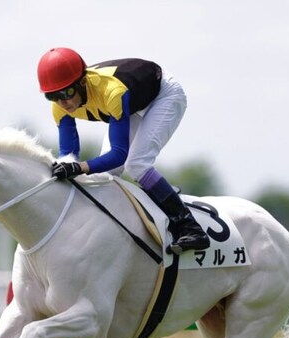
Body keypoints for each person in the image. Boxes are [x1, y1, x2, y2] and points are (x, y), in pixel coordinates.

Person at [37, 47, 210, 253]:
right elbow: (68, 155)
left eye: (66, 93)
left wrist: (80, 167)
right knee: (106, 176)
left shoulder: (112, 92)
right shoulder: (60, 106)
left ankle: (190, 227)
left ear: (82, 82)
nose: (61, 102)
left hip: (163, 94)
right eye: (52, 96)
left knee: (136, 164)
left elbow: (119, 154)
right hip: (134, 100)